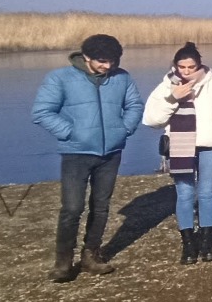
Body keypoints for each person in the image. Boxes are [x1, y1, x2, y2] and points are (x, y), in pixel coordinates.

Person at [32, 34, 144, 282]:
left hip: (111, 153)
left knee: (101, 206)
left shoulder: (122, 78)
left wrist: (123, 129)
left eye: (113, 61)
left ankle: (91, 256)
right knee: (72, 208)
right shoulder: (60, 78)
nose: (108, 67)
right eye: (103, 61)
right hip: (75, 153)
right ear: (86, 58)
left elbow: (135, 105)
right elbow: (41, 112)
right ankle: (63, 263)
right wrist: (71, 133)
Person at [142, 42, 212, 266]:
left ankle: (206, 243)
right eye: (181, 67)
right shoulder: (166, 86)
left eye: (191, 67)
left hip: (210, 145)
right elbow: (152, 120)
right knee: (184, 195)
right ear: (175, 66)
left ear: (199, 65)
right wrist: (172, 98)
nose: (186, 72)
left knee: (206, 194)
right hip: (180, 146)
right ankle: (188, 244)